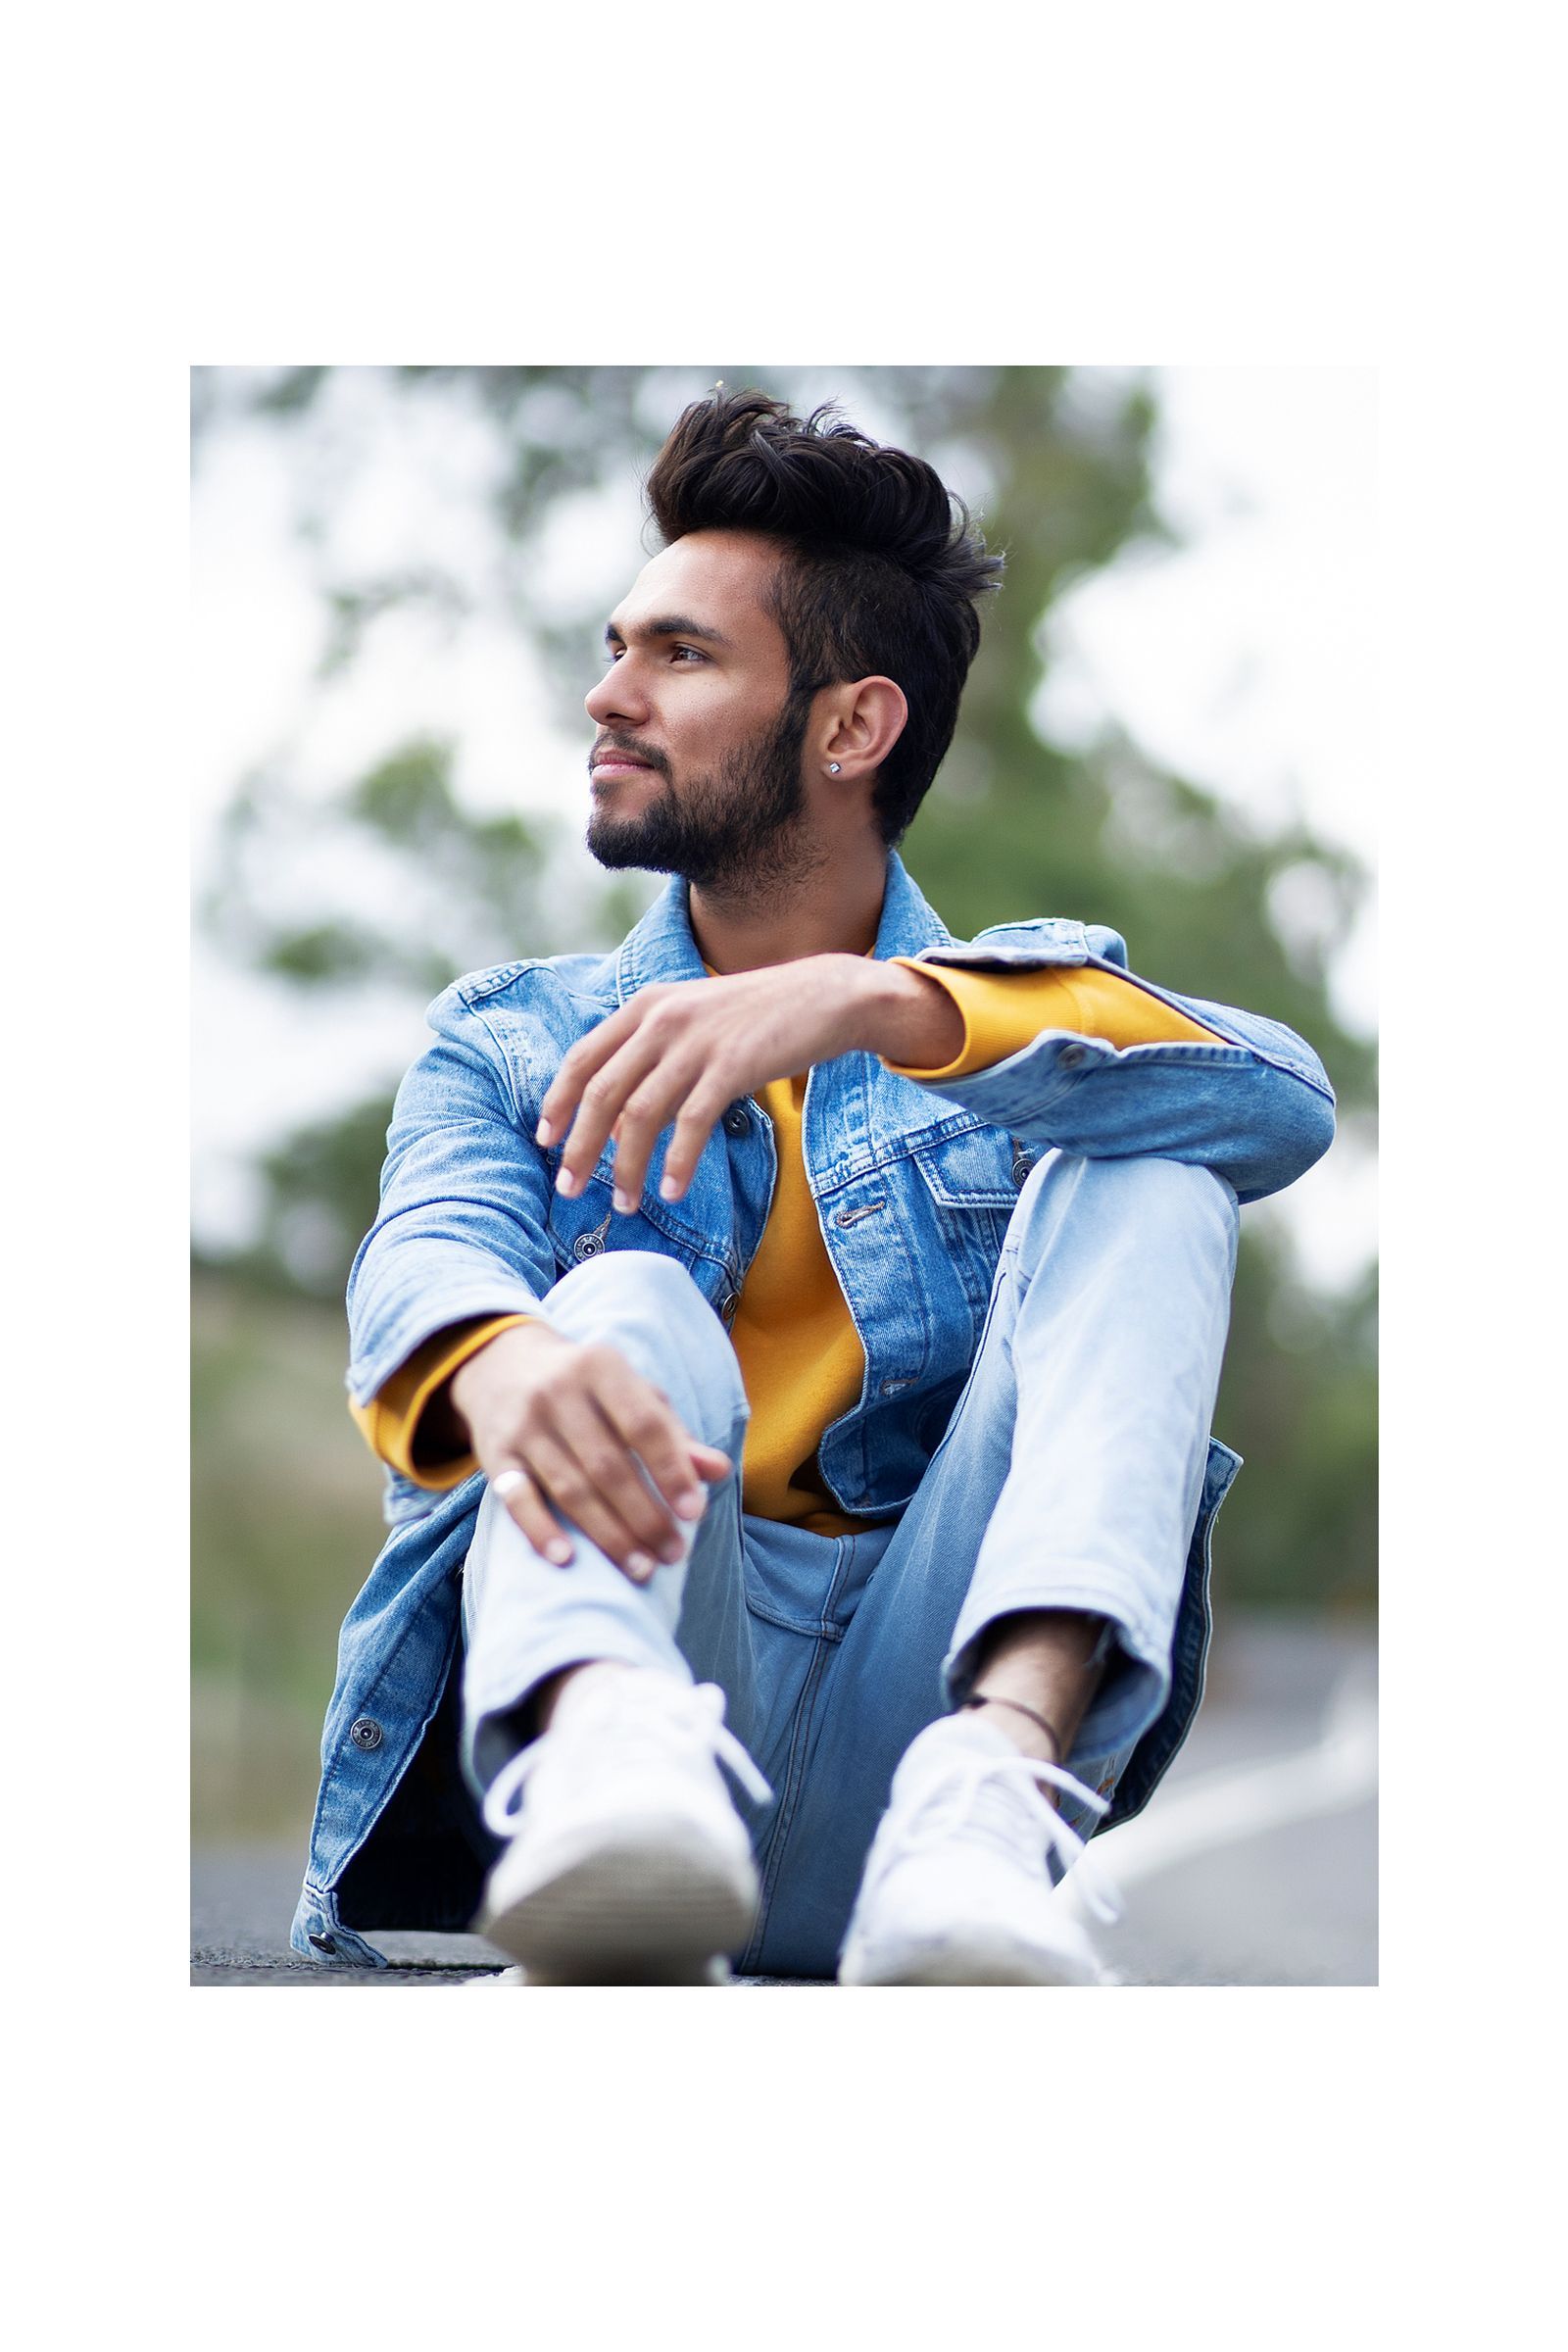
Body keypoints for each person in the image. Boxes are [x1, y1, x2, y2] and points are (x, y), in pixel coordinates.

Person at [291, 387, 1335, 1984]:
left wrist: (874, 1008)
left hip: (906, 1727)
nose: (608, 694)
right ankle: (613, 1769)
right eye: (620, 644)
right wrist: (496, 1363)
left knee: (1158, 1168)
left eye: (678, 656)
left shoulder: (1007, 1020)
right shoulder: (513, 1036)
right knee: (614, 1298)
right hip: (631, 1698)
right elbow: (428, 1251)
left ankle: (995, 1799)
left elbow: (1278, 1098)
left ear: (851, 728)